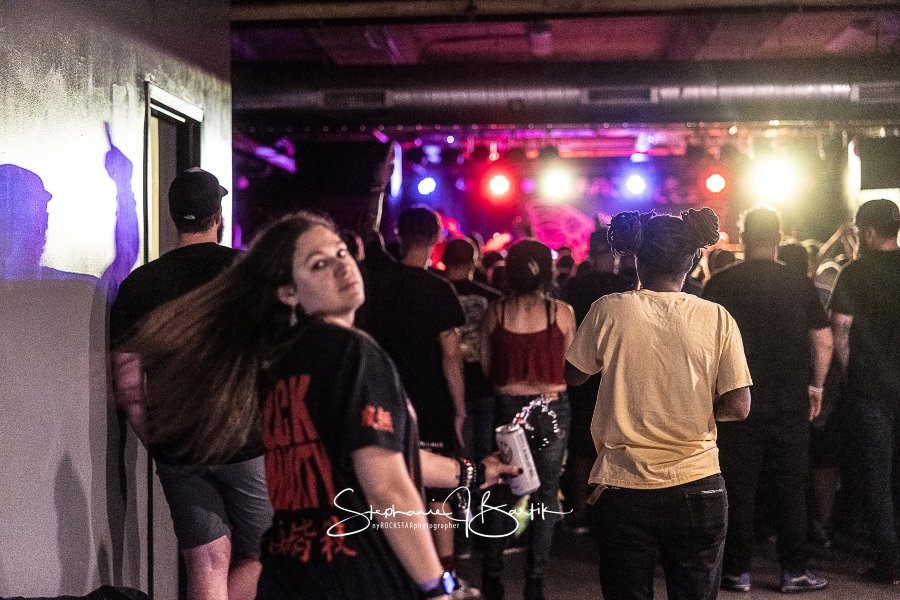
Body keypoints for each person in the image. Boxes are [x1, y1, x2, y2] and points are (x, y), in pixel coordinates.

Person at [122, 212, 519, 599]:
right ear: (289, 292)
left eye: (340, 253)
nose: (341, 266)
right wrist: (437, 586)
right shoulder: (351, 354)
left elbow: (377, 457)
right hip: (360, 576)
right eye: (319, 264)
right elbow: (386, 487)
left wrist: (473, 473)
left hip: (296, 576)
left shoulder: (280, 360)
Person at [565, 208, 752, 600]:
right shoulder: (717, 317)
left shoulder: (609, 309)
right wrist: (695, 409)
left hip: (623, 486)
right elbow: (739, 406)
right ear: (693, 259)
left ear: (636, 258)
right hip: (698, 484)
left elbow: (574, 374)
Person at [110, 168, 272, 600]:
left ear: (172, 217)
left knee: (207, 561)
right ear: (218, 215)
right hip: (245, 439)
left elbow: (128, 385)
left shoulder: (138, 286)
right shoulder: (247, 274)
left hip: (178, 444)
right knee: (269, 553)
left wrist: (159, 441)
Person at [703, 207, 831, 593]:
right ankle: (793, 571)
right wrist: (816, 386)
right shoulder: (798, 282)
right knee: (791, 488)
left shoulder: (721, 283)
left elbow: (704, 342)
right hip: (789, 400)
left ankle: (736, 571)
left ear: (743, 238)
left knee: (737, 487)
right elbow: (823, 339)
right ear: (778, 238)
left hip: (735, 400)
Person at [356, 206, 470, 584]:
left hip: (383, 399)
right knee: (438, 492)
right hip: (431, 402)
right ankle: (445, 575)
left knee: (389, 482)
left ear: (399, 234)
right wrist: (459, 409)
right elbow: (451, 356)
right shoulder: (439, 290)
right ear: (437, 238)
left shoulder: (376, 283)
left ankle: (396, 571)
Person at [479, 239, 577, 600]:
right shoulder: (561, 312)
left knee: (501, 490)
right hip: (551, 407)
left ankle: (492, 576)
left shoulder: (495, 313)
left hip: (508, 408)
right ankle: (535, 581)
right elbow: (569, 366)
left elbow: (487, 367)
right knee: (545, 494)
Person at [828, 198, 900, 585]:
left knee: (877, 473)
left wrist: (848, 373)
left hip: (870, 388)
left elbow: (840, 332)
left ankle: (888, 562)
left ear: (868, 232)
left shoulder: (854, 273)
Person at [560, 227, 631, 531]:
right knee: (615, 441)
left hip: (581, 370)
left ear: (589, 251)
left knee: (581, 444)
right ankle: (610, 512)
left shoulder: (574, 286)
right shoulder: (625, 286)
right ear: (615, 252)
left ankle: (579, 511)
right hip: (617, 372)